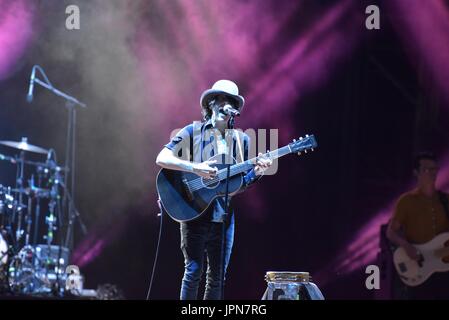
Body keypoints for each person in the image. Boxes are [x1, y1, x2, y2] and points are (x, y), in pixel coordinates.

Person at [156, 80, 272, 300]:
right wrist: (194, 167)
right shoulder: (193, 132)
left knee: (217, 277)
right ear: (210, 103)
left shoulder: (241, 140)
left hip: (223, 217)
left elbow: (238, 184)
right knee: (193, 272)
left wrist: (257, 172)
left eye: (229, 101)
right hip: (193, 213)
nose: (224, 105)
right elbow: (162, 158)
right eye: (220, 99)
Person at [387, 152, 449, 299]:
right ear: (417, 173)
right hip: (418, 267)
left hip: (445, 269)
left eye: (434, 169)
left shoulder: (446, 201)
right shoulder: (406, 201)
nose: (432, 173)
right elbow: (391, 232)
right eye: (427, 169)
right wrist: (406, 246)